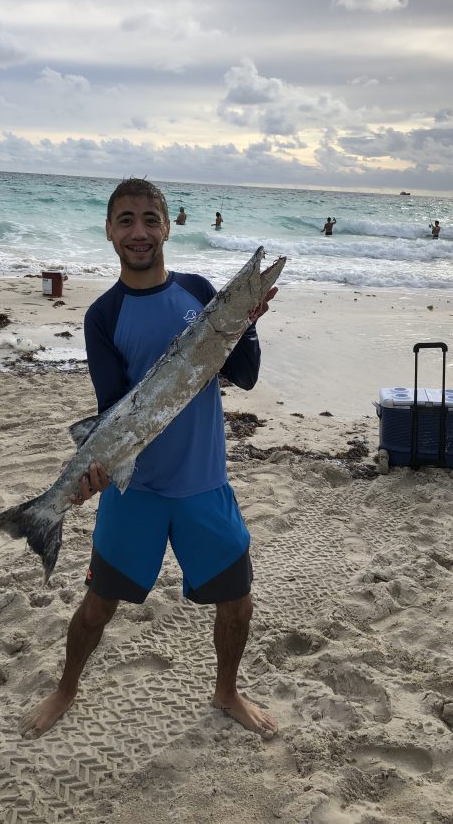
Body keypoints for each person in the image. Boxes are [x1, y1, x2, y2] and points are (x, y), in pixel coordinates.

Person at [18, 177, 278, 742]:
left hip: (204, 485)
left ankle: (227, 690)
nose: (139, 232)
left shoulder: (199, 291)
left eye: (150, 220)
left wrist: (248, 325)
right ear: (110, 231)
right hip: (133, 490)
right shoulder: (103, 316)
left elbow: (246, 376)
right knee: (96, 608)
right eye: (127, 220)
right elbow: (112, 408)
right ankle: (66, 689)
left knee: (236, 602)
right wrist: (94, 469)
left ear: (167, 226)